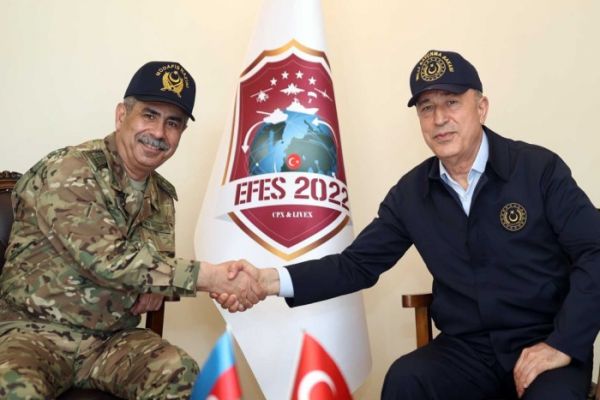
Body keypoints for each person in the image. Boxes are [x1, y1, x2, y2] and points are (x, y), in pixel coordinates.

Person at [218, 50, 600, 399]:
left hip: (546, 342)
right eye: (426, 107)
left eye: (452, 102)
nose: (439, 119)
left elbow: (594, 250)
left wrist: (563, 344)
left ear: (481, 107)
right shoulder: (411, 193)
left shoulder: (538, 170)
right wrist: (267, 281)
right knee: (407, 378)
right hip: (467, 352)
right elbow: (355, 265)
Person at [0, 61, 264, 400]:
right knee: (13, 387)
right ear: (121, 115)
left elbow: (152, 277)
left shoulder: (162, 196)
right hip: (33, 334)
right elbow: (107, 261)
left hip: (110, 341)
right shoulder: (70, 169)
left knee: (180, 372)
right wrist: (211, 278)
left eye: (173, 123)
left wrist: (153, 283)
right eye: (149, 115)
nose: (159, 132)